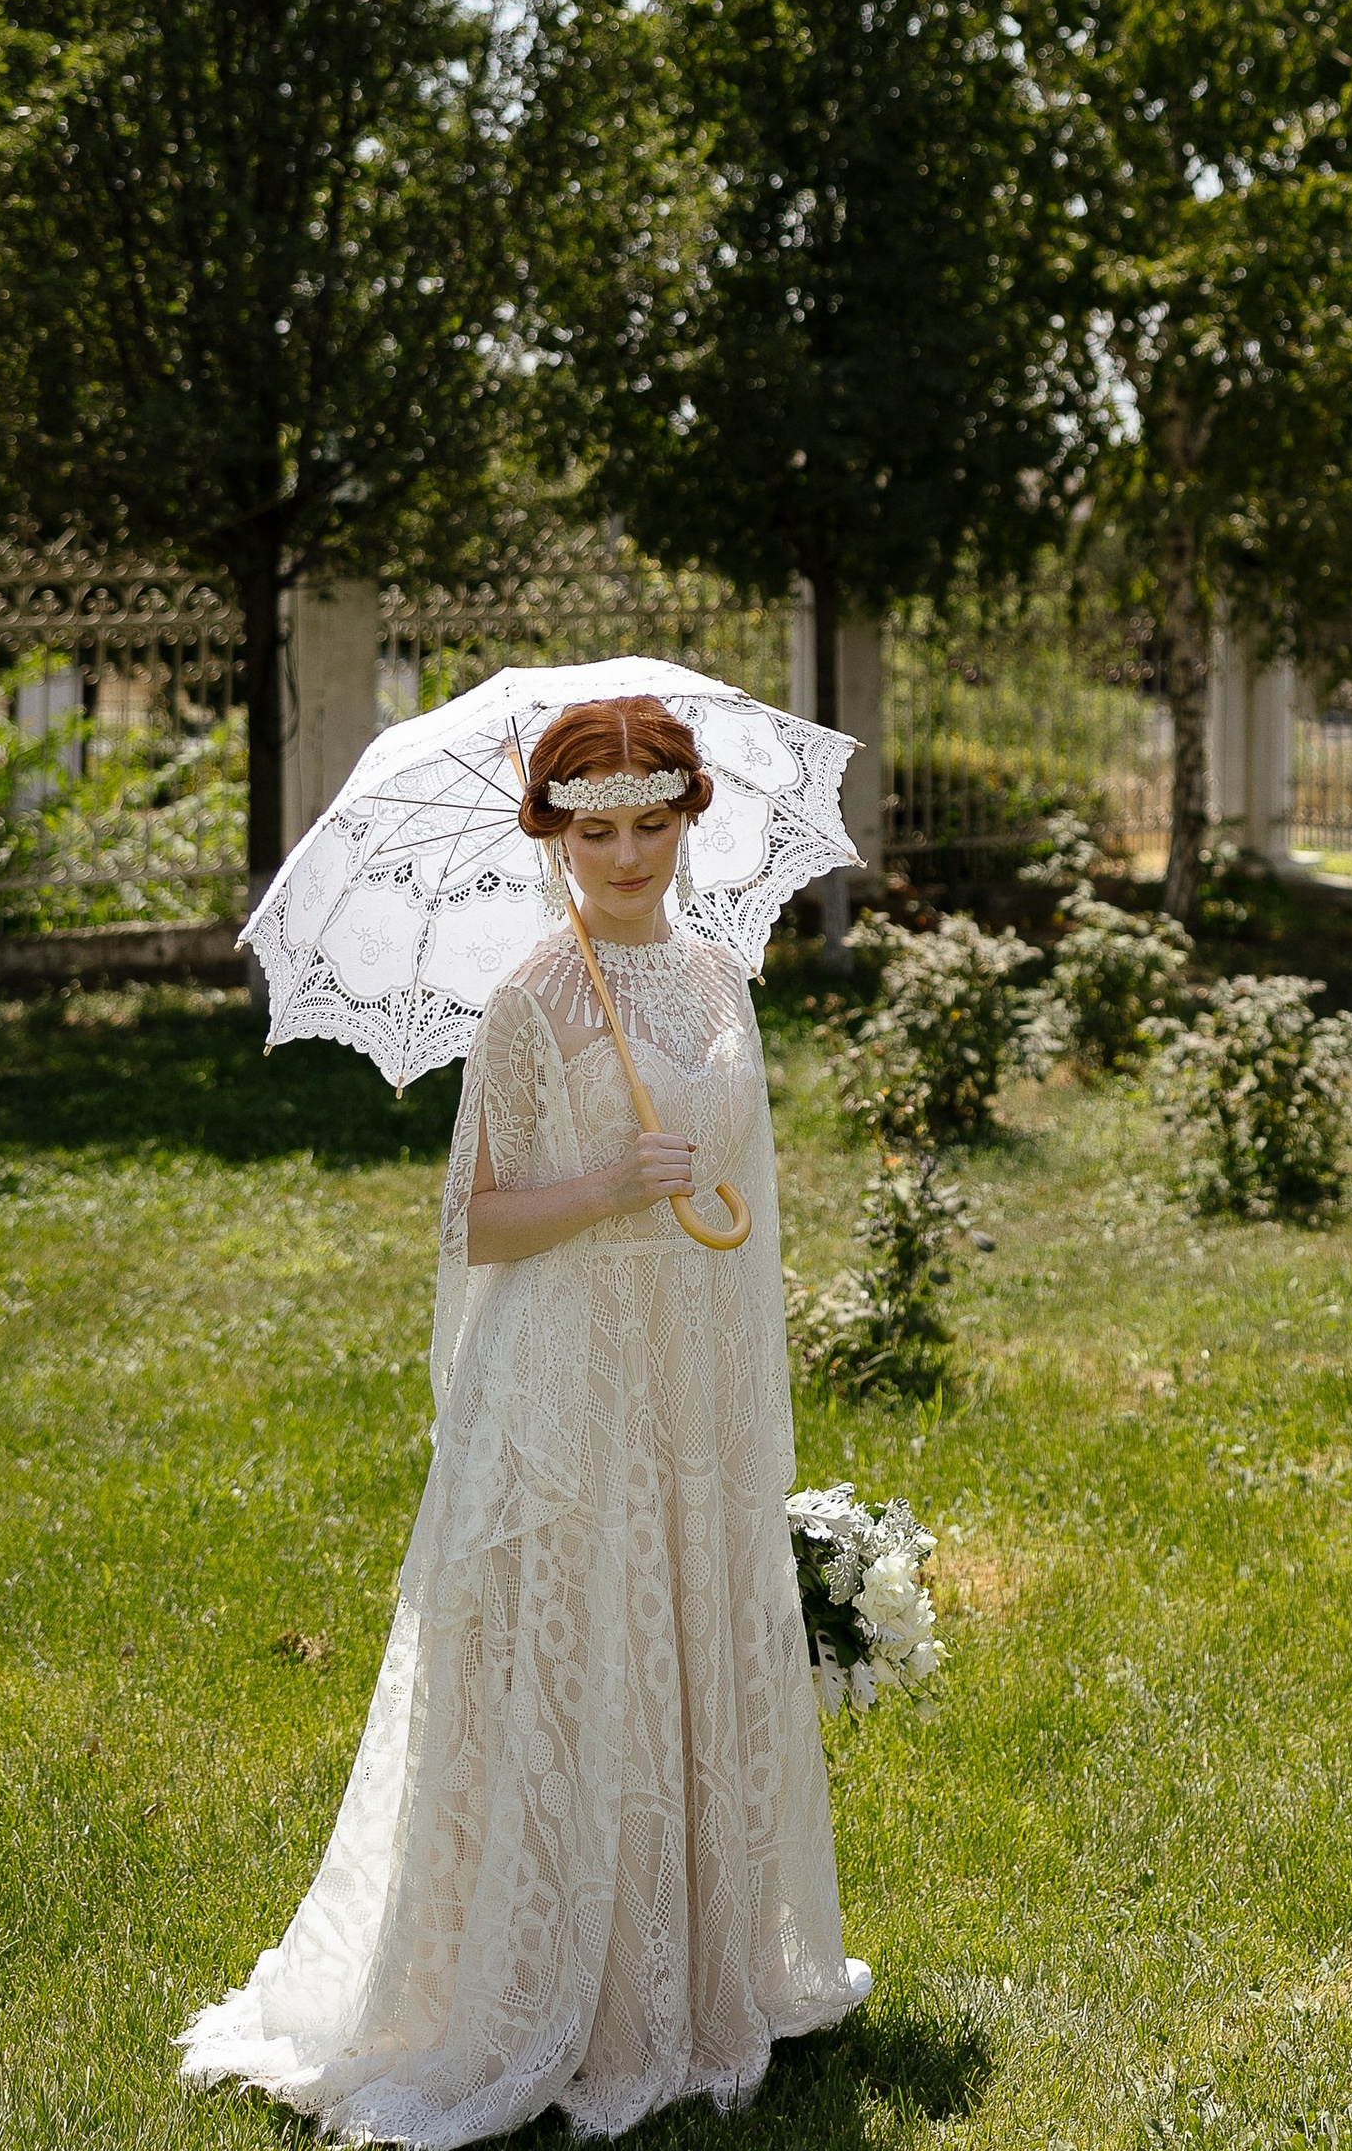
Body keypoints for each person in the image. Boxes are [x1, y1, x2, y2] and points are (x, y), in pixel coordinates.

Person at [180, 695, 868, 2140]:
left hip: (688, 1363)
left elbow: (742, 1174)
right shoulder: (532, 1005)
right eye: (595, 832)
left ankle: (706, 1969)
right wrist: (611, 1186)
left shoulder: (718, 977)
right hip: (571, 1373)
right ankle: (562, 1986)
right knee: (585, 1648)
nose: (626, 857)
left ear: (688, 820)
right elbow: (474, 1223)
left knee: (683, 1634)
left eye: (651, 824)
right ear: (553, 837)